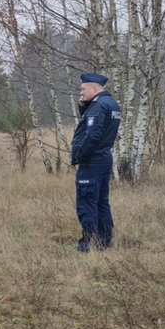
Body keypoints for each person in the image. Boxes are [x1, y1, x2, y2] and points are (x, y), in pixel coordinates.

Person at [71, 73, 121, 252]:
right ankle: (103, 241)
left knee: (87, 202)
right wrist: (83, 105)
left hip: (92, 161)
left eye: (83, 89)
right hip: (103, 158)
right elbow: (93, 125)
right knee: (101, 202)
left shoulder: (99, 105)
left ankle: (88, 244)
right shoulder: (111, 103)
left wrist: (79, 156)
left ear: (95, 88)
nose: (81, 92)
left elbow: (92, 134)